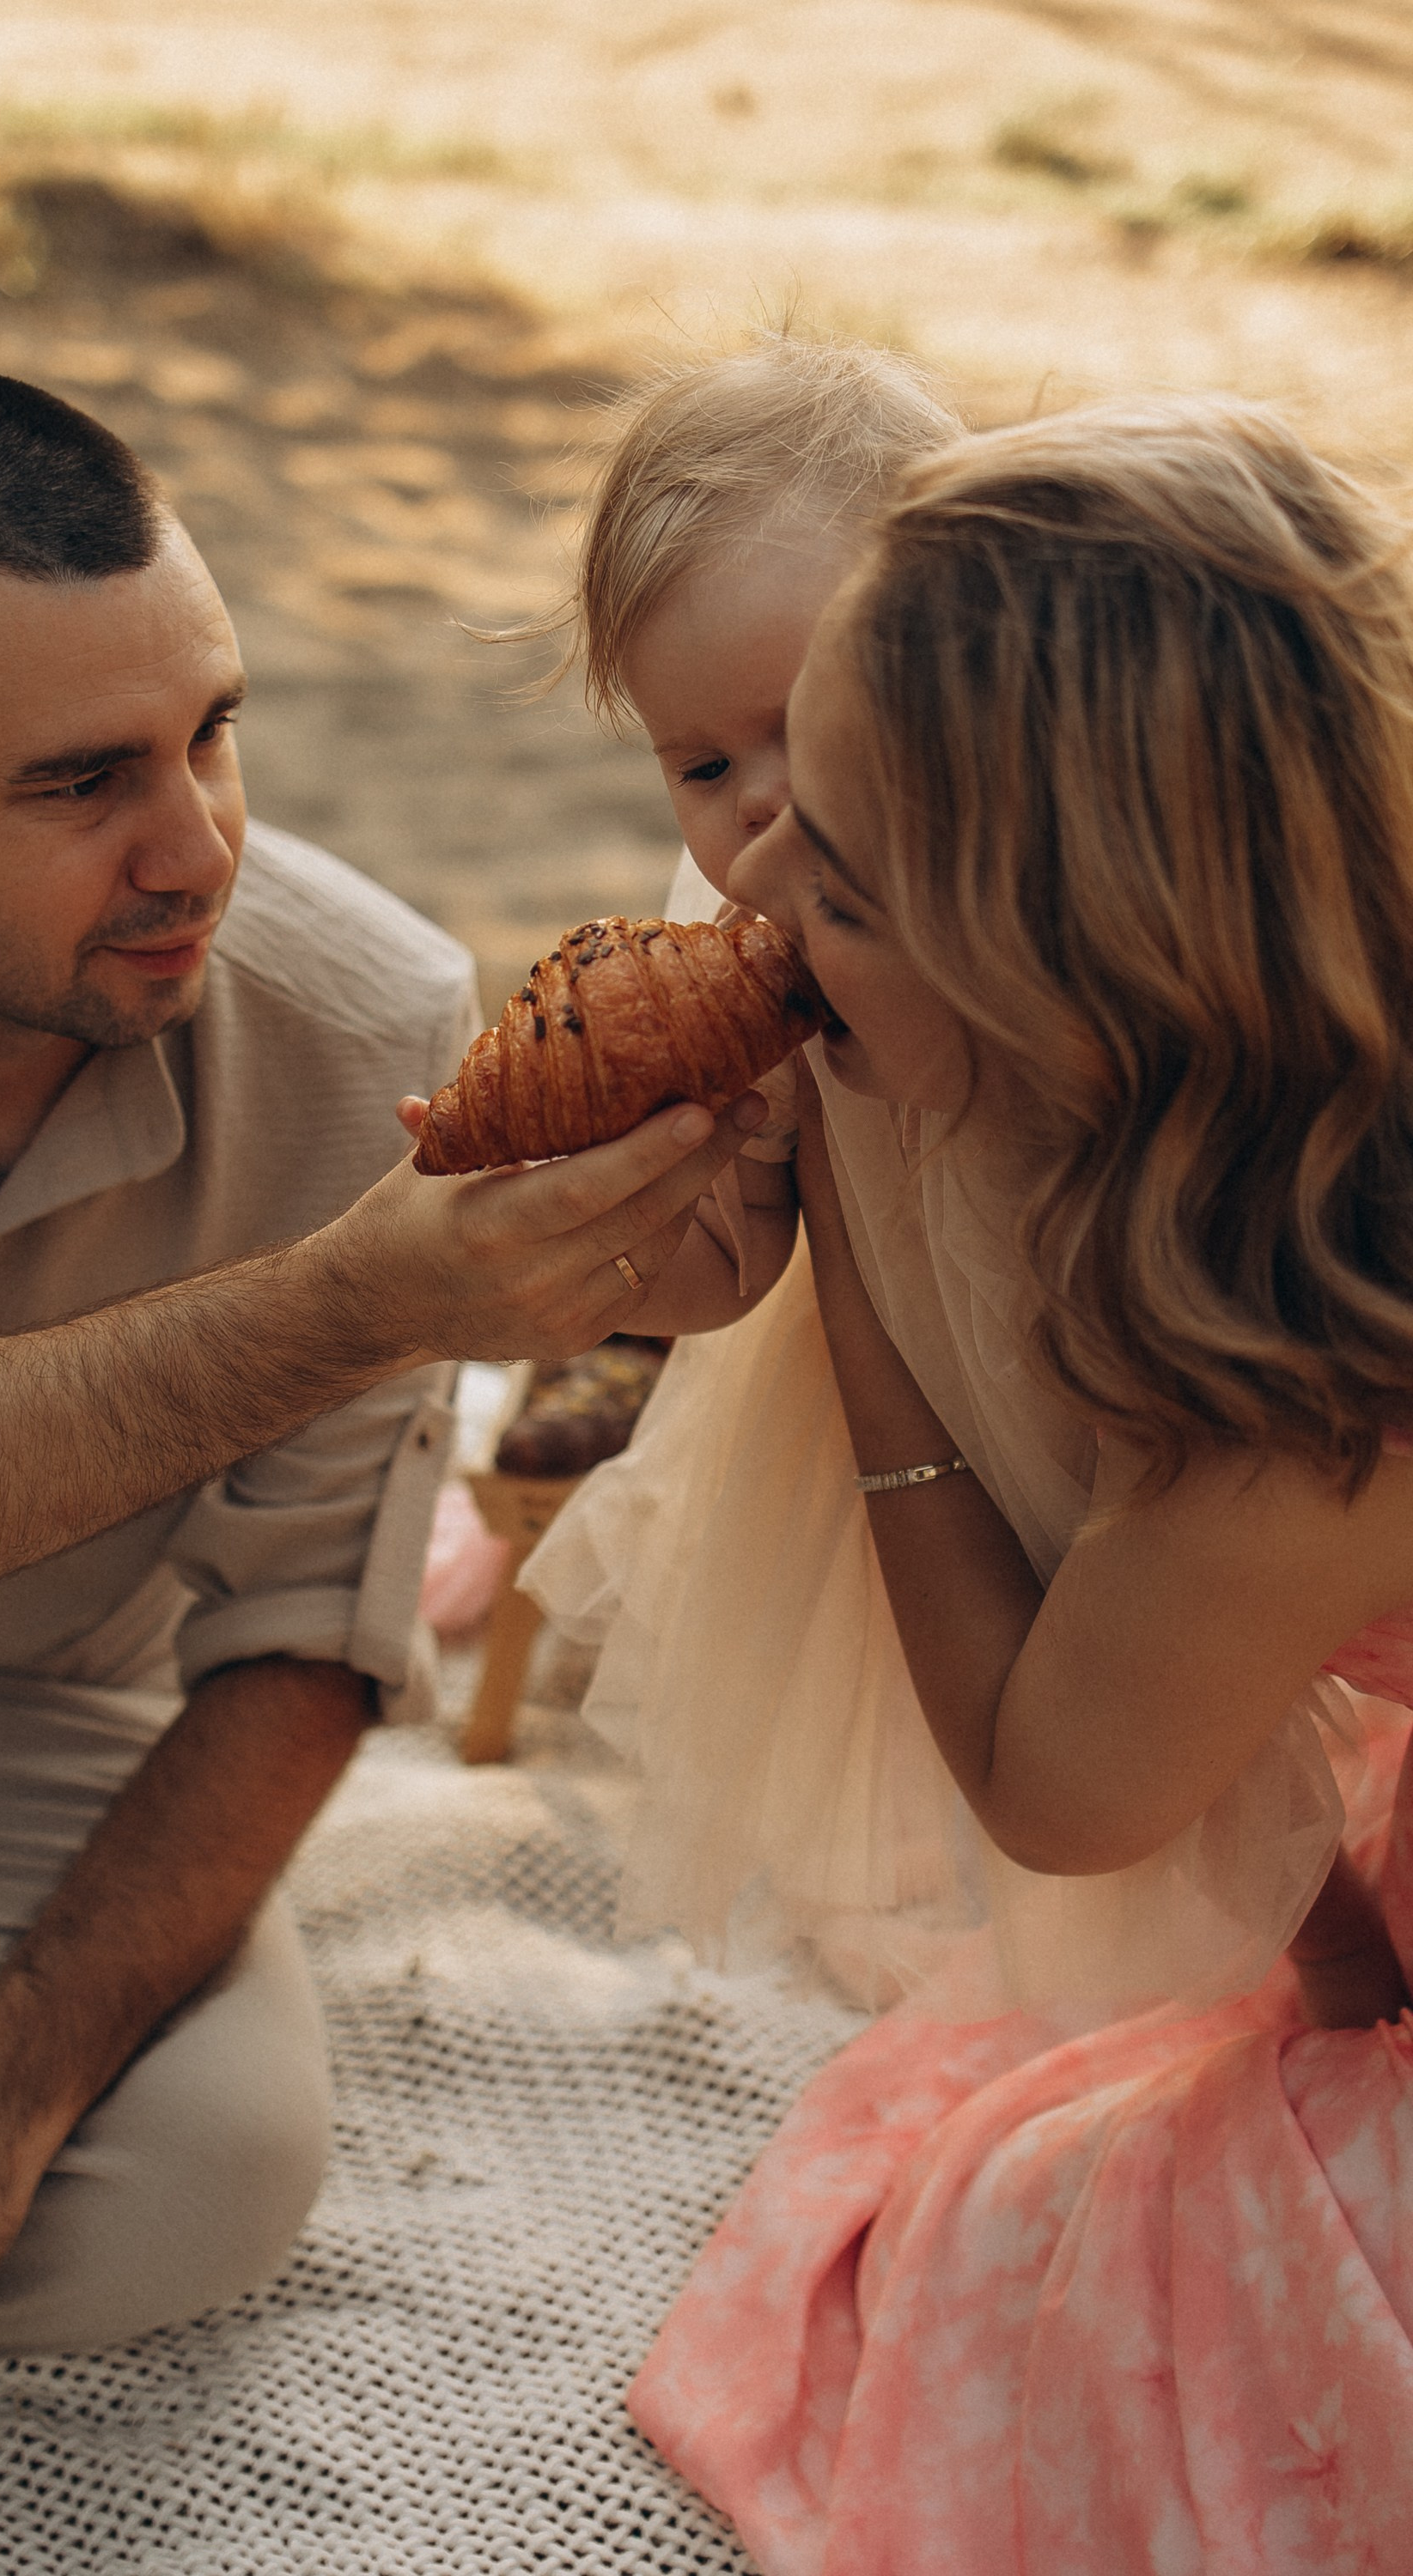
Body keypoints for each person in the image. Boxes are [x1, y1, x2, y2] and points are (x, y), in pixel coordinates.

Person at [0, 367, 759, 2373]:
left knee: (208, 2163)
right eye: (82, 784)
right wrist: (356, 1300)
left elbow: (299, 1637)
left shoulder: (367, 1012)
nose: (198, 849)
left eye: (215, 733)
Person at [628, 398, 1413, 2571]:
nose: (760, 894)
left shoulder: (1328, 1377)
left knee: (1035, 2276)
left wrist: (861, 1263)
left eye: (849, 884)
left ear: (1076, 957)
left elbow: (1057, 1789)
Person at [521, 337, 968, 1993]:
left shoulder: (1046, 893)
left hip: (1091, 1378)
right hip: (866, 1431)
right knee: (881, 1733)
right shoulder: (744, 954)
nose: (759, 805)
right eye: (702, 768)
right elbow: (727, 1283)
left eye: (805, 725)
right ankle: (909, 1937)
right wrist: (656, 1197)